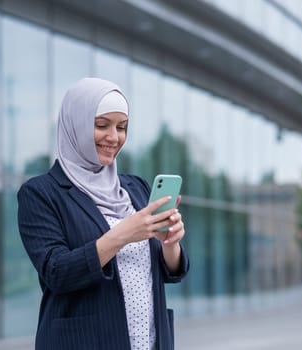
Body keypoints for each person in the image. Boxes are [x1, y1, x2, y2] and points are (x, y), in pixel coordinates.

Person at [17, 77, 189, 350]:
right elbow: (56, 272)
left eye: (122, 128)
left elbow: (169, 271)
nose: (114, 137)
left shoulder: (135, 188)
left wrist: (171, 242)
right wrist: (122, 234)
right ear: (77, 125)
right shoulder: (41, 193)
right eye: (101, 125)